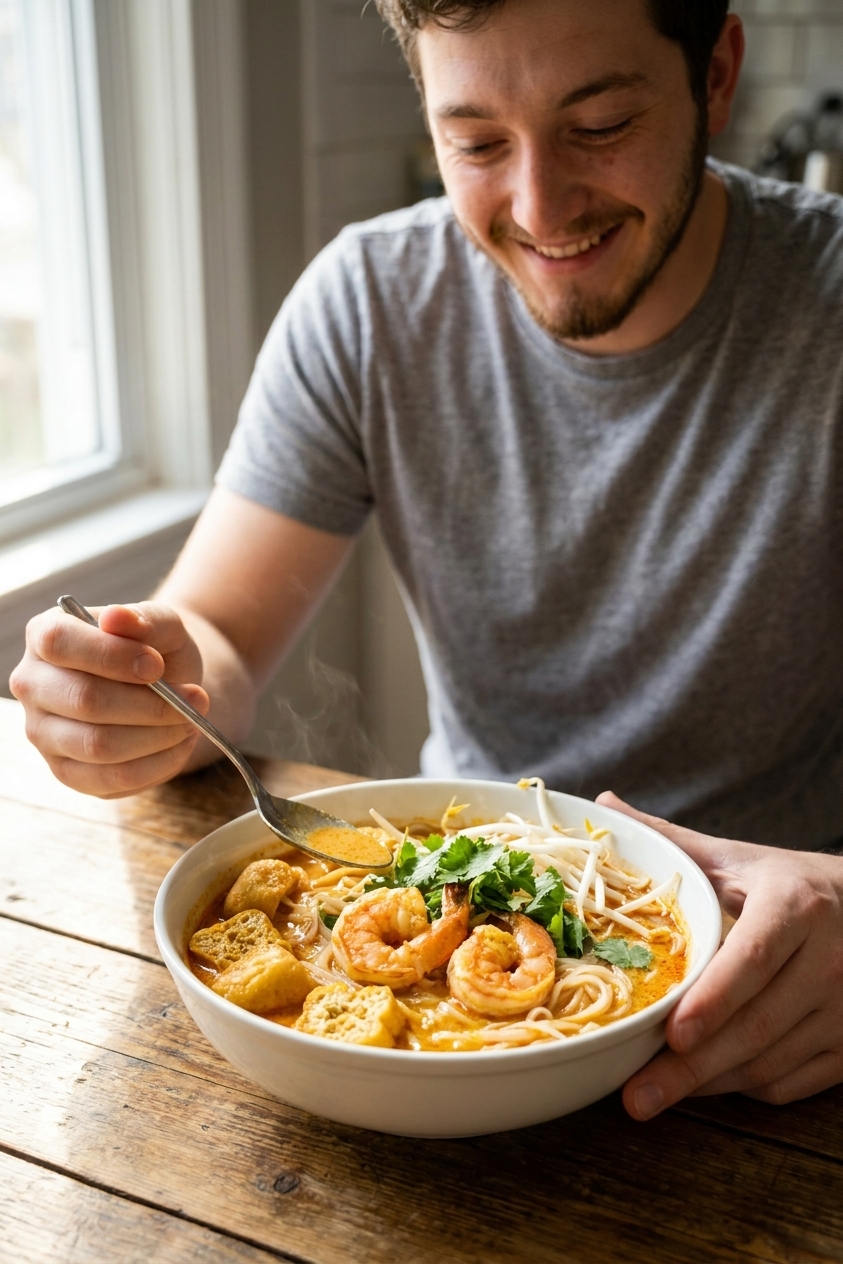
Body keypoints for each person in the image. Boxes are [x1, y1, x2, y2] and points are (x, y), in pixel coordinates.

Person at [10, 0, 843, 1119]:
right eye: (479, 143)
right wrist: (148, 686)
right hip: (434, 1037)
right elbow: (217, 637)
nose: (540, 209)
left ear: (716, 74)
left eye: (598, 125)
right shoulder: (367, 302)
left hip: (788, 1002)